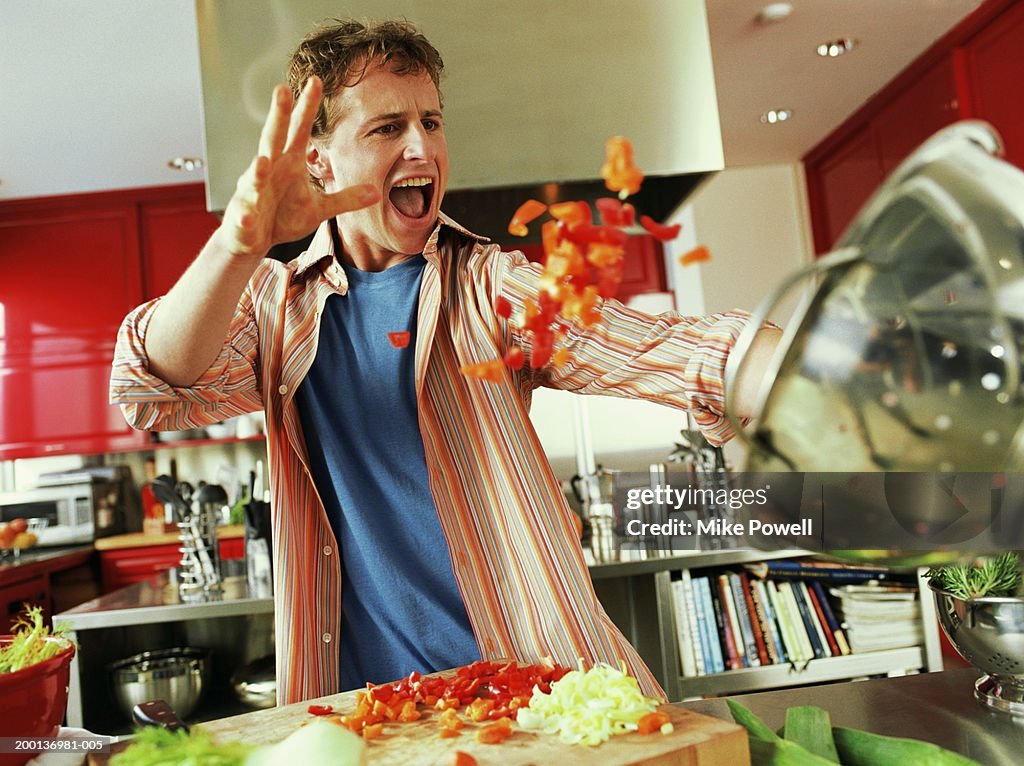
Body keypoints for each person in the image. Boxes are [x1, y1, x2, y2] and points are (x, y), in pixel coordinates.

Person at [111, 18, 781, 705]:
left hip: (529, 696)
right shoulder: (275, 309)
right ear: (320, 160)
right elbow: (150, 386)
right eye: (386, 128)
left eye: (431, 122)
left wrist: (808, 362)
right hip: (366, 709)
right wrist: (236, 245)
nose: (422, 147)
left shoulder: (489, 287)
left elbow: (660, 347)